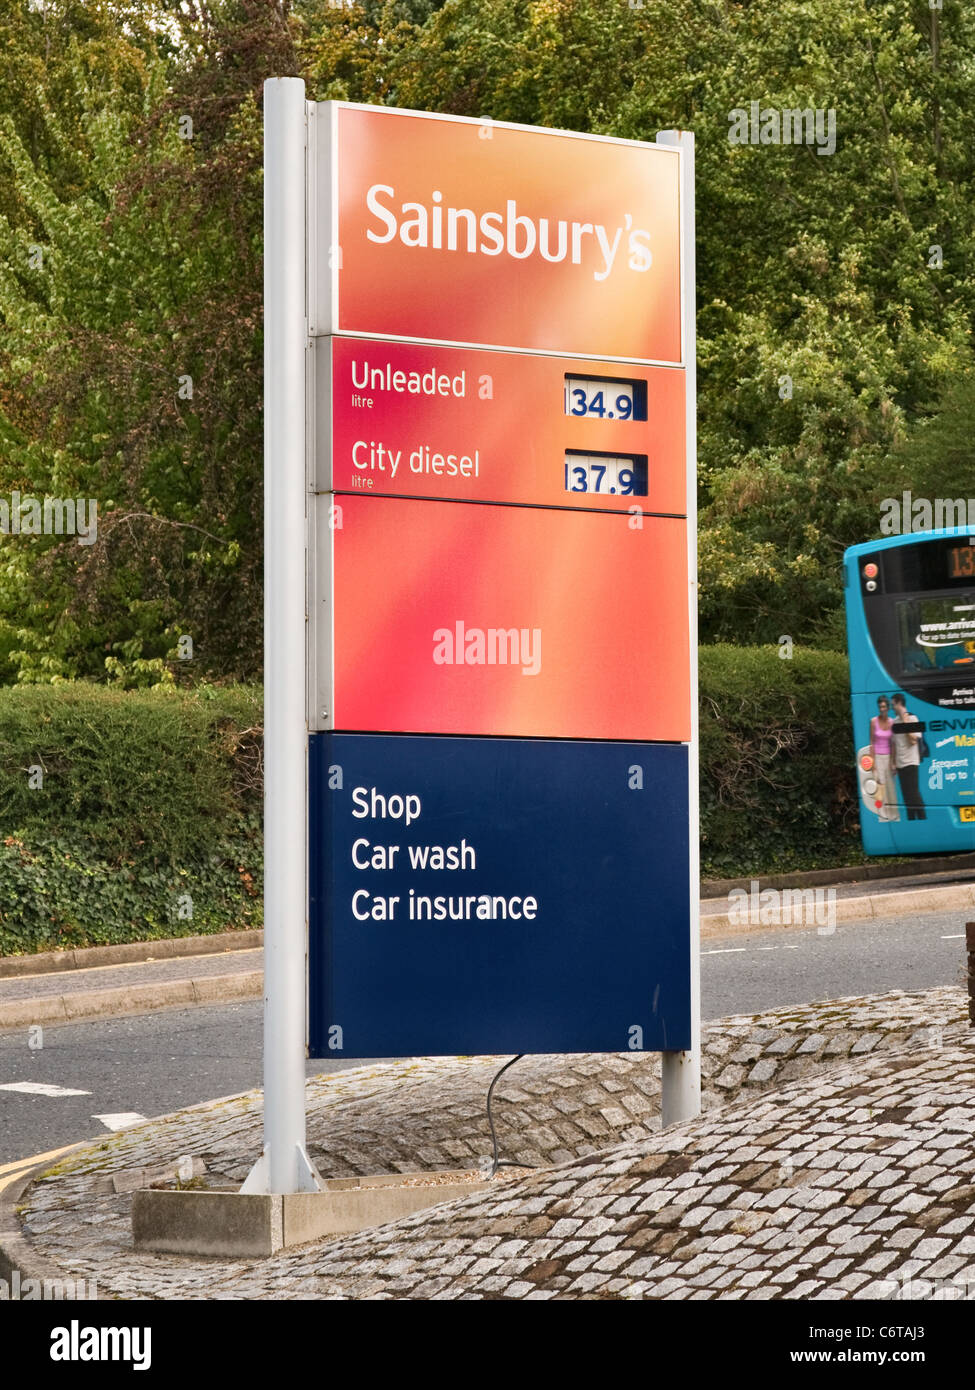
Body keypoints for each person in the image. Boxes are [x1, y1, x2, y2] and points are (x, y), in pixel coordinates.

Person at [891, 692, 927, 821]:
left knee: (914, 793)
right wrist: (893, 763)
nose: (892, 708)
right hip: (900, 763)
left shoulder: (913, 719)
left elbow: (913, 740)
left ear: (900, 703)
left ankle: (922, 819)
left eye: (893, 705)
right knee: (906, 796)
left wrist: (905, 722)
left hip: (911, 762)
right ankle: (912, 820)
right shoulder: (894, 722)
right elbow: (894, 744)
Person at [868, 696, 899, 822]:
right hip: (877, 757)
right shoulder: (873, 721)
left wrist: (893, 762)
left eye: (884, 706)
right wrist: (872, 761)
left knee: (891, 787)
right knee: (880, 789)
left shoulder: (892, 722)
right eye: (880, 707)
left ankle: (894, 815)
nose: (882, 709)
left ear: (888, 708)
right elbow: (871, 742)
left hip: (888, 758)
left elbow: (893, 743)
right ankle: (881, 815)